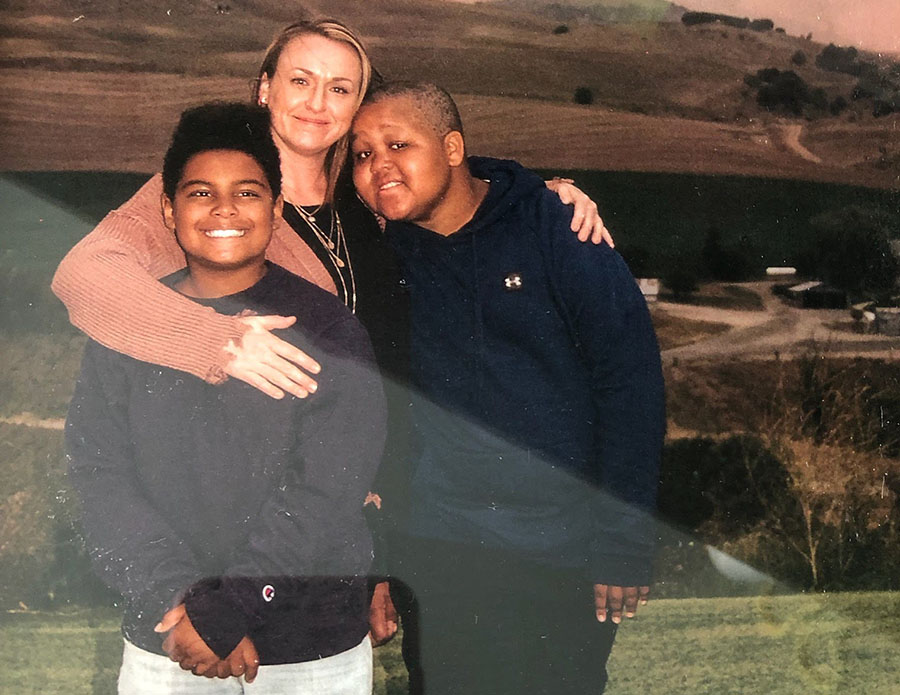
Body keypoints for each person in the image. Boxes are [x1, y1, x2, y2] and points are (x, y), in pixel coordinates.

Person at [51, 17, 614, 687]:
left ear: (357, 106)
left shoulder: (368, 196)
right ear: (265, 89)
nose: (318, 103)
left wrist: (537, 196)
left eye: (340, 89)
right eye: (301, 81)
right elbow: (83, 273)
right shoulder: (219, 188)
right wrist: (212, 340)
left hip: (369, 506)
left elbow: (451, 181)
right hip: (248, 518)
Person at [351, 82, 666, 695]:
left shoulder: (556, 228)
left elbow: (630, 388)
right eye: (362, 154)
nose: (378, 165)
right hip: (437, 547)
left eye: (397, 144)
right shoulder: (380, 257)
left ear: (452, 149)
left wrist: (623, 545)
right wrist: (379, 564)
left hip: (561, 549)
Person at [65, 102, 386, 694]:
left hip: (309, 648)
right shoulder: (130, 328)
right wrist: (176, 597)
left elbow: (327, 490)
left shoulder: (329, 328)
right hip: (170, 639)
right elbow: (98, 475)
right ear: (168, 209)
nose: (224, 210)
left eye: (247, 193)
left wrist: (227, 609)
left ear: (276, 208)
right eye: (200, 193)